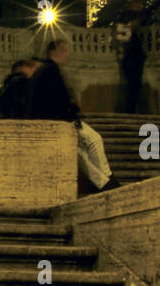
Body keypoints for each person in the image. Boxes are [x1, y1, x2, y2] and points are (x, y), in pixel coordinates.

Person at [30, 39, 120, 192]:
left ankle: (107, 179)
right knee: (85, 149)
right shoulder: (49, 71)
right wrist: (71, 115)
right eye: (63, 50)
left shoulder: (50, 70)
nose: (67, 54)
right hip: (58, 121)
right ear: (53, 52)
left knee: (91, 142)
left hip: (61, 119)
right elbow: (54, 100)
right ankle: (106, 182)